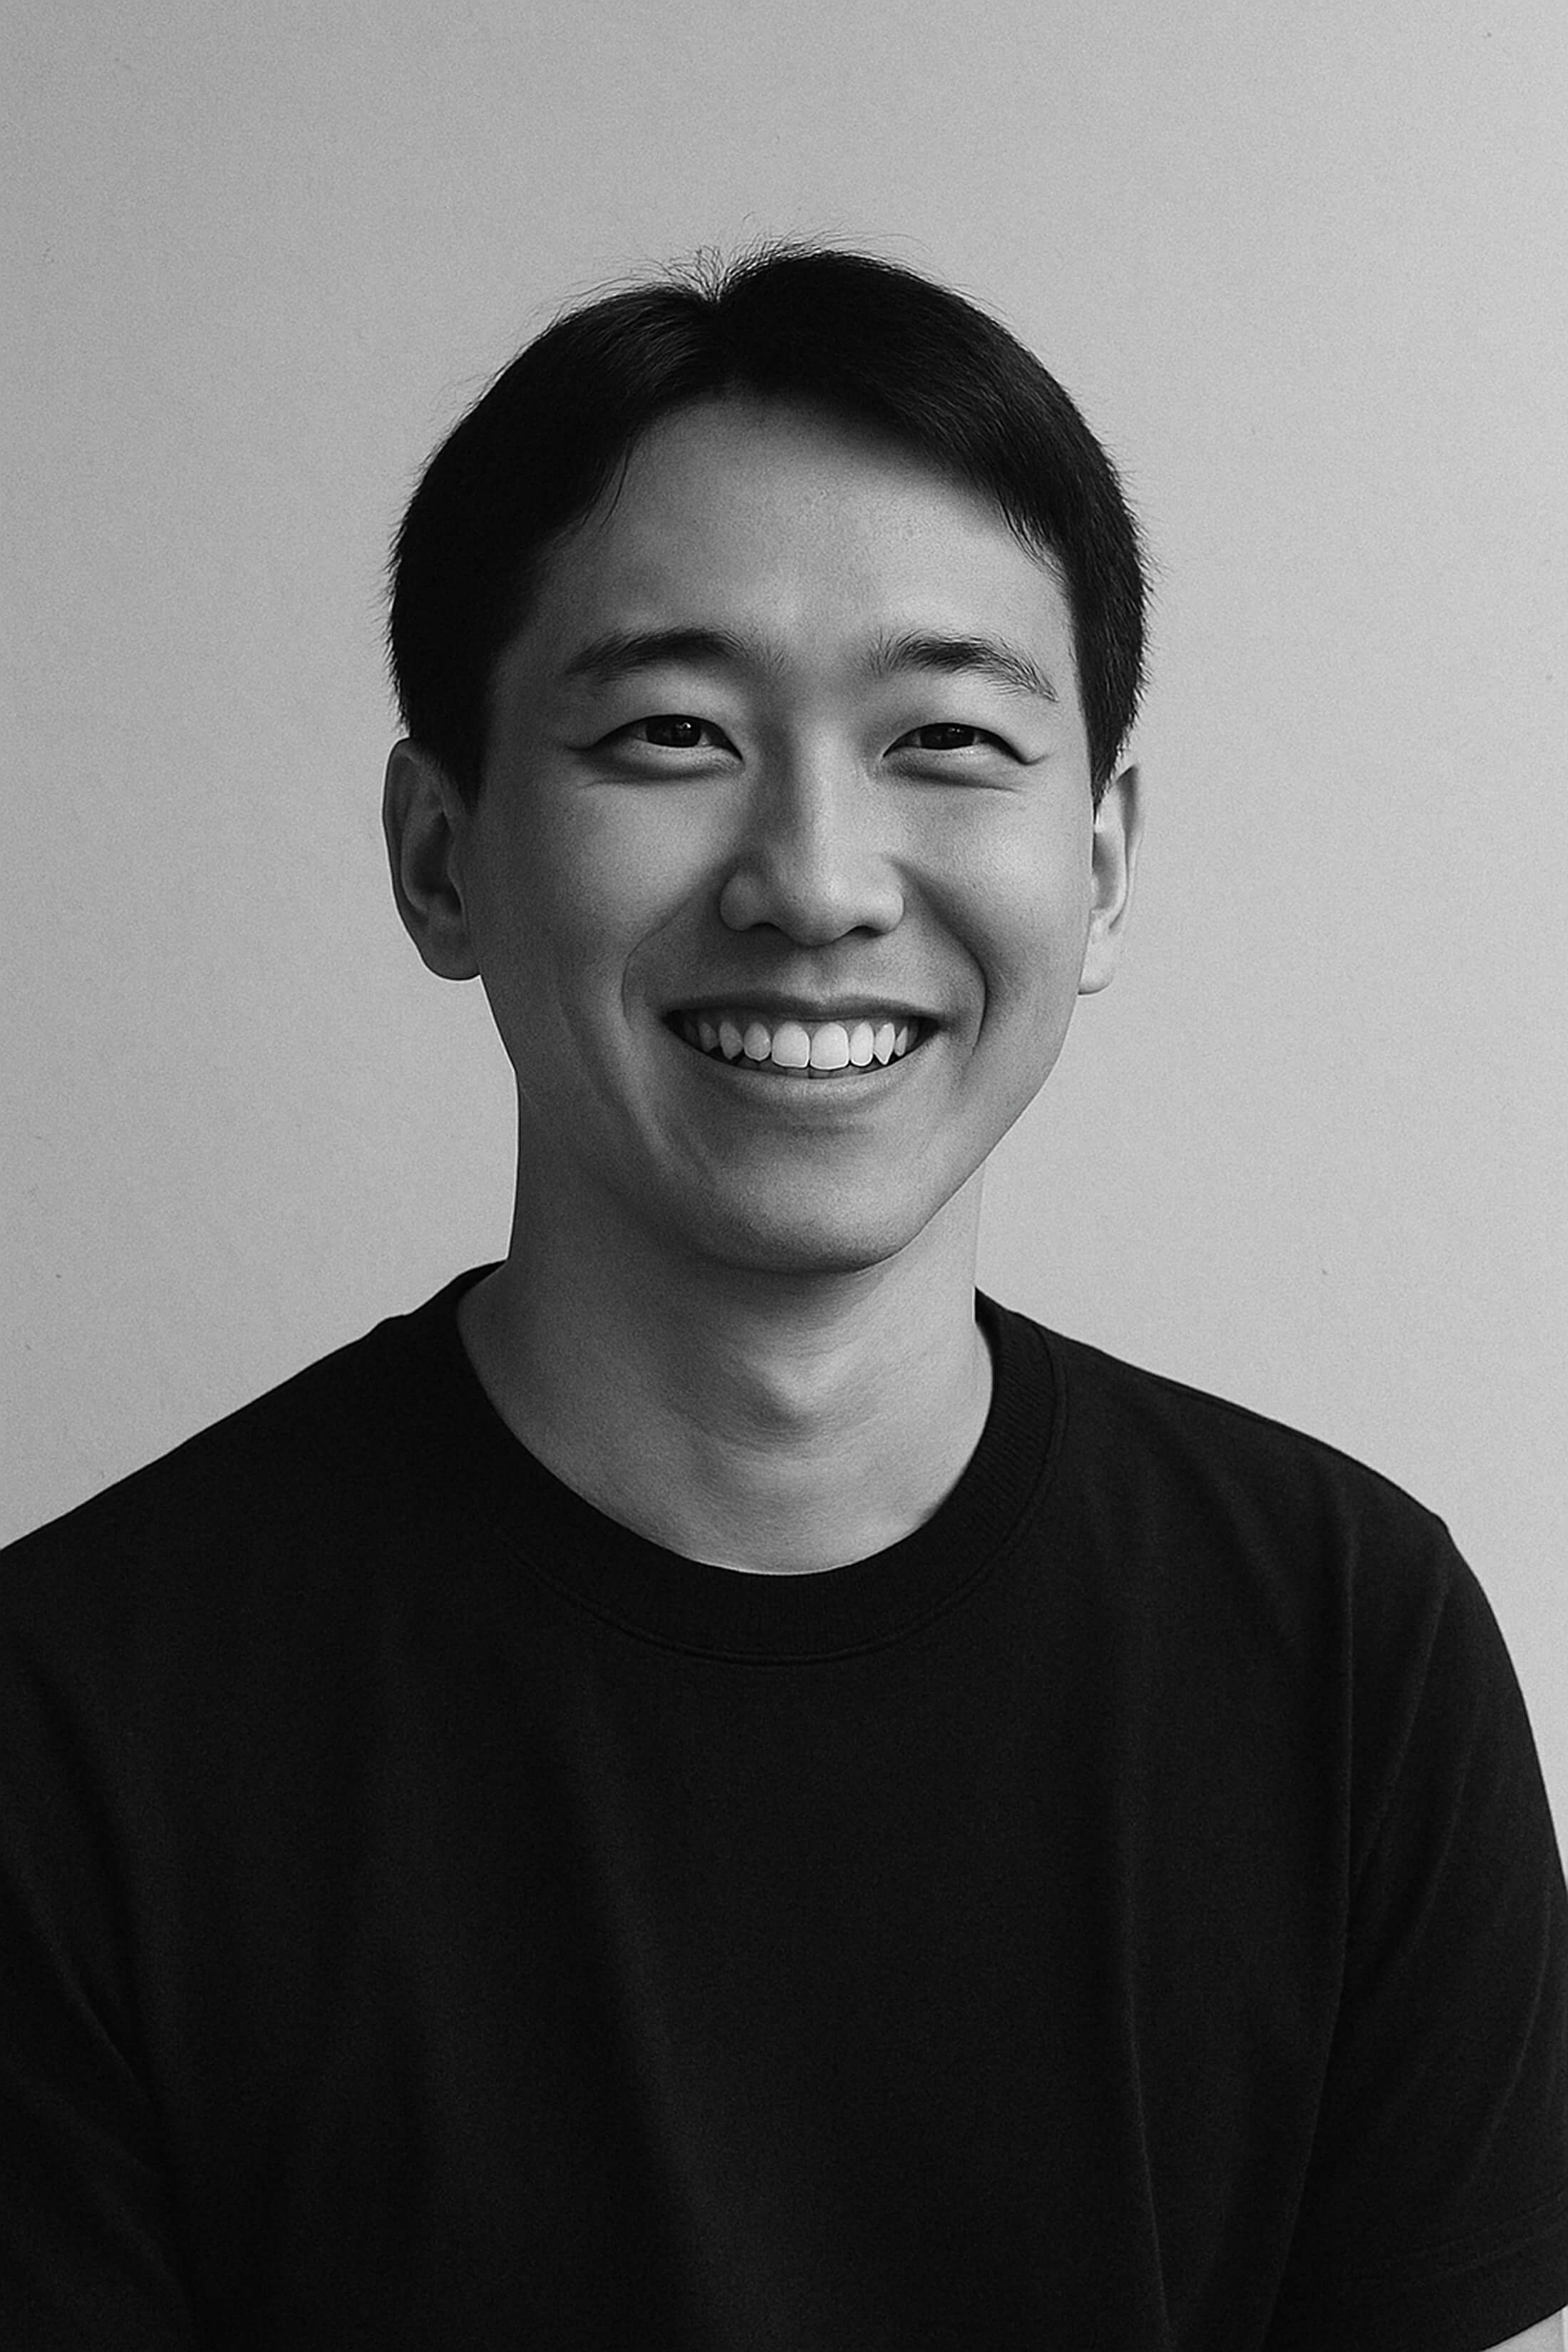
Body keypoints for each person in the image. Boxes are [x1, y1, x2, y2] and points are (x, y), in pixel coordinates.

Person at [2, 239, 1564, 2352]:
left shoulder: (1355, 1660)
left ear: (1101, 864)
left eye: (944, 736)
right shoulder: (74, 1728)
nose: (817, 879)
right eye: (671, 729)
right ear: (438, 854)